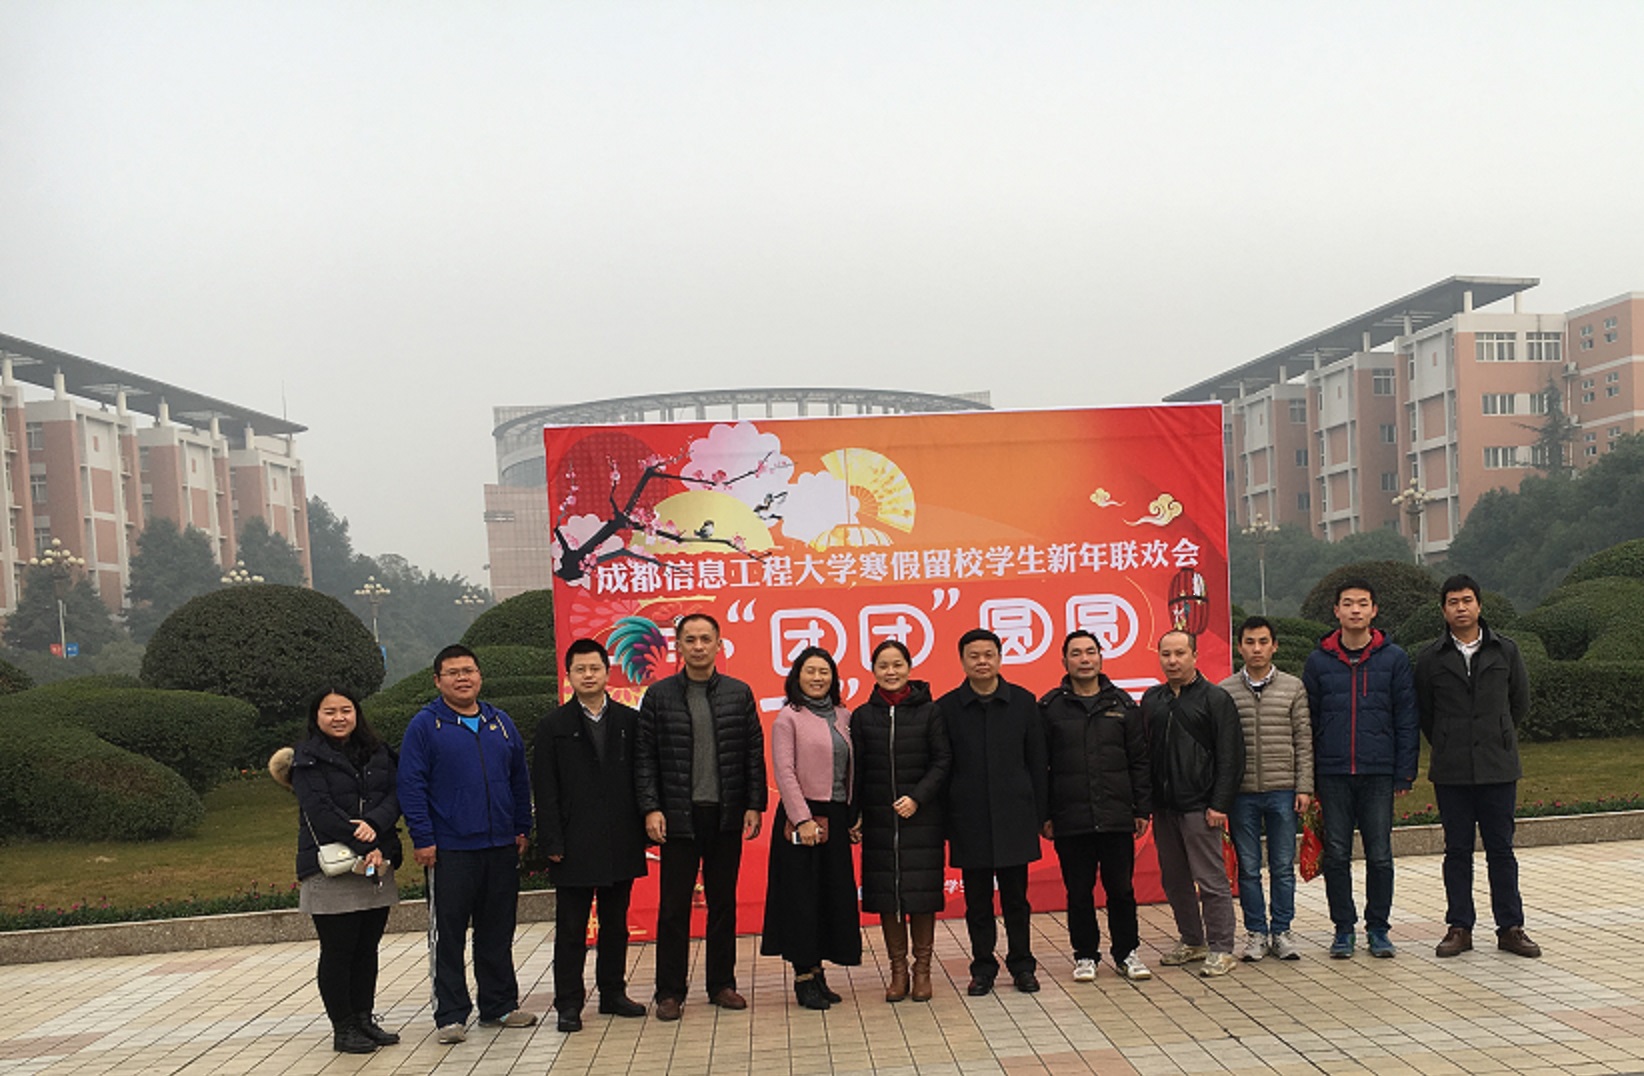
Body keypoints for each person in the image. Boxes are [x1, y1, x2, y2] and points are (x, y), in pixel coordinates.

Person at [398, 645, 537, 1044]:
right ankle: (451, 1014)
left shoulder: (500, 722)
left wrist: (521, 827)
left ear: (479, 676)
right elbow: (411, 785)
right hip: (450, 849)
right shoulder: (426, 726)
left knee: (497, 931)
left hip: (500, 845)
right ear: (437, 680)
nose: (463, 678)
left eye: (469, 671)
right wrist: (423, 837)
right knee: (449, 936)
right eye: (453, 672)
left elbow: (519, 779)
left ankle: (499, 1004)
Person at [635, 612, 767, 1022]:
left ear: (718, 644)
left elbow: (753, 754)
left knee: (723, 903)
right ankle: (669, 992)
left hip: (725, 814)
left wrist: (754, 804)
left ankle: (721, 984)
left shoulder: (738, 693)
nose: (697, 646)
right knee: (673, 907)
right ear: (678, 646)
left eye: (705, 639)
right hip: (677, 816)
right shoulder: (659, 696)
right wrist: (651, 807)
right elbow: (644, 758)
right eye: (689, 639)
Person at [1415, 575, 1541, 960]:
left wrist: (1497, 734)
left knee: (1501, 850)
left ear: (1479, 605)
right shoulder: (1431, 657)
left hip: (1497, 766)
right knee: (1457, 851)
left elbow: (1519, 702)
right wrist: (1449, 740)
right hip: (1452, 770)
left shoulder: (1506, 650)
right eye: (1453, 602)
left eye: (1467, 600)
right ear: (1443, 610)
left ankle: (1510, 927)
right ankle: (1460, 927)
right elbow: (1426, 712)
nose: (1461, 608)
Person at [272, 687, 403, 1054]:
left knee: (367, 949)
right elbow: (320, 811)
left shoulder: (378, 751)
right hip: (333, 866)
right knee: (339, 951)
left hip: (374, 862)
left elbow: (395, 795)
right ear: (316, 717)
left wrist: (375, 827)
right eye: (329, 712)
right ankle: (343, 1027)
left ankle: (363, 1018)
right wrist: (364, 842)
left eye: (346, 710)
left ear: (357, 713)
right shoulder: (306, 759)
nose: (339, 717)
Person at [532, 639, 649, 1033]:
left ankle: (613, 993)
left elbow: (642, 777)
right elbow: (545, 789)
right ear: (569, 676)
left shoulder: (630, 721)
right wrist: (552, 841)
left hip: (621, 837)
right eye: (580, 669)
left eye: (594, 668)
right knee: (571, 929)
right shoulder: (553, 726)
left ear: (607, 672)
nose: (588, 675)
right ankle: (568, 1003)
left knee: (616, 924)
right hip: (573, 842)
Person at [1303, 579, 1419, 960]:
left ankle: (1378, 928)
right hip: (1333, 773)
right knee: (1336, 854)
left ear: (1374, 610)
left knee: (1380, 854)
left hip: (1378, 771)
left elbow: (1406, 717)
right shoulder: (1318, 661)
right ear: (1336, 611)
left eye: (1363, 603)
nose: (1355, 610)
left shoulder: (1394, 659)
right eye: (1348, 603)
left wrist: (1404, 771)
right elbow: (1307, 721)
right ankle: (1343, 929)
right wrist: (1309, 775)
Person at [939, 628, 1048, 996]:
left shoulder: (1023, 702)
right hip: (969, 819)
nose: (982, 661)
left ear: (1000, 658)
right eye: (974, 656)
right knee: (978, 903)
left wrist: (1041, 815)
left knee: (1017, 899)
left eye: (988, 654)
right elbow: (944, 768)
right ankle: (983, 967)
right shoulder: (947, 708)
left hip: (1015, 816)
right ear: (962, 661)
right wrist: (946, 822)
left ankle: (1022, 965)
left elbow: (1037, 763)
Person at [1040, 630, 1154, 983]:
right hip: (1070, 817)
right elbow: (1040, 766)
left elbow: (1139, 761)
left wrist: (1141, 809)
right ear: (1064, 661)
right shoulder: (1049, 708)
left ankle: (1126, 952)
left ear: (1101, 658)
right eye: (1076, 653)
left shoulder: (1123, 705)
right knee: (1078, 892)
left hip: (1116, 815)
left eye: (1090, 652)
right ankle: (1085, 955)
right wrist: (1045, 814)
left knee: (1121, 889)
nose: (1084, 659)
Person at [760, 646, 863, 1009]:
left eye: (824, 672)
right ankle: (803, 976)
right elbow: (784, 771)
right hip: (801, 817)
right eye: (810, 671)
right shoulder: (788, 717)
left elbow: (852, 770)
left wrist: (852, 815)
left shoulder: (844, 715)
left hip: (835, 814)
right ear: (797, 677)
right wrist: (802, 819)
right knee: (801, 899)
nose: (818, 678)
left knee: (830, 897)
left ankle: (819, 973)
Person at [851, 639, 952, 1003]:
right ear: (873, 670)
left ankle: (922, 971)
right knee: (887, 896)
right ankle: (897, 972)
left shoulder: (930, 712)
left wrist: (917, 797)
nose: (891, 672)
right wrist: (855, 814)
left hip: (921, 818)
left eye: (897, 665)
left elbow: (942, 760)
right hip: (880, 820)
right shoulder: (863, 716)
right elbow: (857, 770)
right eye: (883, 666)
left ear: (909, 668)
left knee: (921, 896)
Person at [1141, 630, 1245, 978]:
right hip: (1164, 807)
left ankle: (1221, 948)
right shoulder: (1152, 699)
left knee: (1211, 880)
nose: (1172, 661)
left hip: (1201, 806)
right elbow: (1144, 753)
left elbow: (1231, 756)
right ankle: (1192, 940)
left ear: (1195, 656)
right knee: (1174, 880)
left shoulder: (1215, 698)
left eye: (1180, 653)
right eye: (1166, 654)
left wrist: (1220, 804)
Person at [1220, 616, 1312, 962]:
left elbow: (1304, 739)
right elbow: (1220, 748)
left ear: (1274, 646)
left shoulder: (1293, 687)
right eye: (1249, 642)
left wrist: (1304, 786)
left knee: (1282, 866)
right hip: (1242, 793)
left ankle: (1282, 931)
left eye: (1263, 642)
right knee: (1247, 868)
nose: (1256, 649)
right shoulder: (1225, 690)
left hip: (1283, 789)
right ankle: (1256, 933)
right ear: (1239, 647)